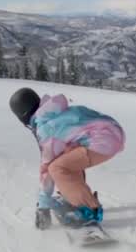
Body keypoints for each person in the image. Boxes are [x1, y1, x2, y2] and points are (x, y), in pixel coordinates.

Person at [9, 87, 125, 229]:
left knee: (56, 167)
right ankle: (75, 197)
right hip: (111, 132)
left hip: (104, 141)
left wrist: (43, 204)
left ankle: (88, 211)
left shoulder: (46, 129)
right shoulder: (53, 113)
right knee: (65, 159)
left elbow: (47, 167)